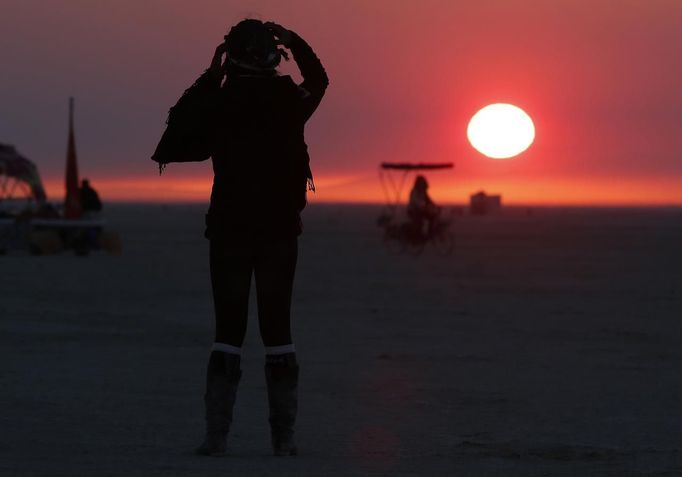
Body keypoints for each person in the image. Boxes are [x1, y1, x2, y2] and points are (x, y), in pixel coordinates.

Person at [153, 19, 328, 457]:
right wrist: (295, 40)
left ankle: (216, 438)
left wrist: (209, 79)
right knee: (278, 332)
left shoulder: (220, 102)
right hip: (279, 234)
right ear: (272, 57)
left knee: (227, 333)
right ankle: (283, 440)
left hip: (229, 233)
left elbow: (174, 140)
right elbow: (320, 80)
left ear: (231, 56)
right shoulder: (290, 101)